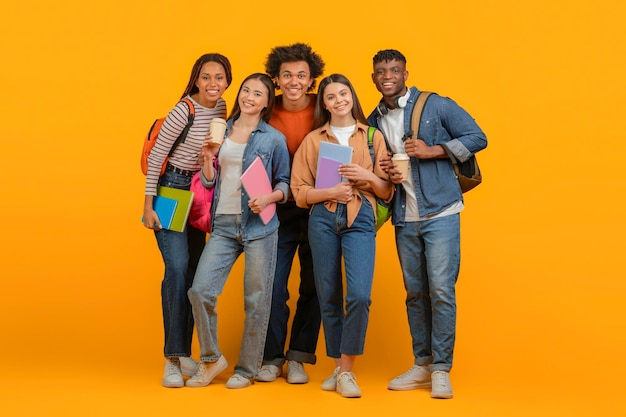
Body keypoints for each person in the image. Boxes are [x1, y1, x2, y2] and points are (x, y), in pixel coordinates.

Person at [366, 49, 488, 399]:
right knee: (415, 293)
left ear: (405, 73)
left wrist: (433, 150)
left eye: (394, 69)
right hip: (404, 216)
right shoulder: (374, 119)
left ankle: (441, 369)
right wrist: (386, 170)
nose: (387, 75)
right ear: (373, 77)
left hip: (441, 211)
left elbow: (478, 137)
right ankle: (421, 363)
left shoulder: (436, 104)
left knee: (441, 291)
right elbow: (380, 166)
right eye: (380, 71)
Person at [291, 74, 393, 398]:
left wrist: (365, 176)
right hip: (321, 218)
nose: (339, 101)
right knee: (328, 295)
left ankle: (346, 372)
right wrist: (329, 191)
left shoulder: (373, 137)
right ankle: (340, 368)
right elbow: (299, 192)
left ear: (352, 97)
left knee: (359, 295)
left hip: (360, 214)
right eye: (331, 96)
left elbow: (387, 191)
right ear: (324, 103)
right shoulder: (313, 140)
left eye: (343, 94)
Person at [186, 73, 291, 389]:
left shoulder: (273, 139)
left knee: (256, 300)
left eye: (257, 93)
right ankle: (211, 358)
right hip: (223, 225)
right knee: (200, 291)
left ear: (266, 101)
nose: (249, 97)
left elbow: (284, 184)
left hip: (260, 226)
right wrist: (207, 159)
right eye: (246, 90)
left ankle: (247, 369)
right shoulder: (222, 130)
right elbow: (208, 183)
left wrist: (269, 197)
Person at [142, 53, 232, 388]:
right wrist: (148, 205)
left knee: (193, 275)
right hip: (170, 190)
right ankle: (172, 358)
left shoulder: (222, 110)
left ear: (227, 81)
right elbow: (156, 158)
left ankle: (183, 355)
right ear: (196, 79)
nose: (213, 84)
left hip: (199, 191)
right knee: (177, 269)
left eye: (219, 78)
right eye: (206, 77)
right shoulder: (185, 110)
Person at [256, 42, 325, 384]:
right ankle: (271, 356)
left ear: (312, 79)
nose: (294, 81)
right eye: (287, 74)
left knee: (314, 285)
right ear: (277, 79)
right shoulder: (265, 110)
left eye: (301, 74)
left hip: (317, 206)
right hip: (276, 209)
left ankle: (298, 356)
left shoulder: (324, 107)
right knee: (272, 284)